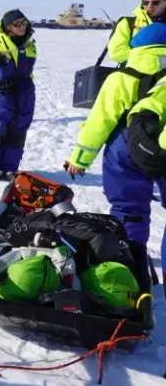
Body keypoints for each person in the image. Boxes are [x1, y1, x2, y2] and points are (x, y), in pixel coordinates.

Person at [65, 18, 166, 285]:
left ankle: (133, 274)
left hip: (126, 147)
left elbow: (99, 121)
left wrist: (80, 159)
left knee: (129, 210)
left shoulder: (121, 77)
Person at [0, 9, 37, 180]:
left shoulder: (30, 45)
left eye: (24, 23)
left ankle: (10, 168)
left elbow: (28, 71)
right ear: (8, 27)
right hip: (0, 94)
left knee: (17, 132)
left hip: (23, 94)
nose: (22, 27)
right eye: (18, 24)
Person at [105, 0, 164, 64]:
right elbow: (117, 53)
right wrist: (151, 57)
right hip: (135, 74)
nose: (149, 6)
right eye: (146, 2)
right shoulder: (127, 23)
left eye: (155, 2)